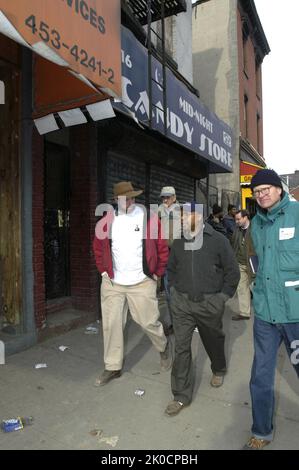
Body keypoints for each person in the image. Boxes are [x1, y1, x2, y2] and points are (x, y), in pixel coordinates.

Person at [164, 202, 240, 416]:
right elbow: (171, 269)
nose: (181, 219)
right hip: (182, 305)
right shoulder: (179, 242)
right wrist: (173, 292)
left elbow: (233, 272)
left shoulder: (218, 241)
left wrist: (221, 298)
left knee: (213, 340)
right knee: (181, 347)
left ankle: (218, 368)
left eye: (185, 215)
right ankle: (180, 395)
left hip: (209, 304)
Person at [93, 181, 172, 386]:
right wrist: (103, 271)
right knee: (111, 325)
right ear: (115, 200)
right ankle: (112, 367)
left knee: (148, 322)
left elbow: (162, 248)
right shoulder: (106, 220)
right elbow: (98, 248)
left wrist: (157, 273)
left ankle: (163, 348)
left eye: (131, 197)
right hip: (113, 282)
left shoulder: (149, 218)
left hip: (141, 281)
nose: (128, 201)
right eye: (123, 198)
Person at [243, 169, 299, 450]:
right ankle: (260, 432)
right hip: (265, 314)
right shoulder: (256, 224)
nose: (261, 193)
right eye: (256, 191)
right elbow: (256, 261)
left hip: (295, 313)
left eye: (266, 188)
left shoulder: (297, 214)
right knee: (260, 377)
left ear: (279, 189)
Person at [158, 186, 181, 335]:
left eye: (168, 197)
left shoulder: (183, 212)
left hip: (180, 255)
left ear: (174, 197)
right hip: (165, 255)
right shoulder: (159, 212)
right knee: (168, 292)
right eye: (163, 197)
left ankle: (185, 321)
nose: (165, 200)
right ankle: (174, 323)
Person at [231, 209, 255, 321]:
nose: (236, 221)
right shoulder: (237, 230)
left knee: (256, 288)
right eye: (235, 219)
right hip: (240, 263)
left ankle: (267, 312)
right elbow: (233, 245)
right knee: (242, 288)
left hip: (253, 265)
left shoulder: (255, 229)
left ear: (246, 217)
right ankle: (245, 313)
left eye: (238, 219)